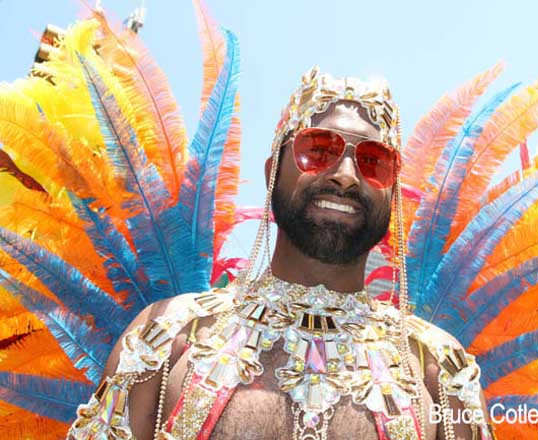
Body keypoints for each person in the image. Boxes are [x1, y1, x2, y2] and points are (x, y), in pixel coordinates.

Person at [68, 68, 493, 440]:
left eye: (373, 161)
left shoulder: (439, 370)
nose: (346, 176)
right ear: (273, 172)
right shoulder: (166, 338)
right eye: (319, 150)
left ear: (392, 193)